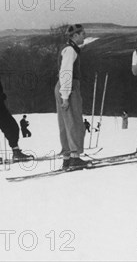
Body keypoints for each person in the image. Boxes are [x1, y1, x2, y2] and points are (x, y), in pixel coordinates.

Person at [55, 24, 89, 170]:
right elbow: (66, 72)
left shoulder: (69, 48)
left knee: (65, 122)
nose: (84, 37)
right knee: (74, 120)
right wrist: (65, 96)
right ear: (75, 36)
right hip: (69, 87)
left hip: (63, 86)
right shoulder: (70, 50)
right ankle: (75, 157)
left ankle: (67, 157)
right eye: (82, 34)